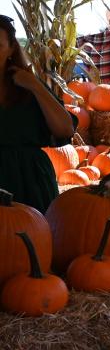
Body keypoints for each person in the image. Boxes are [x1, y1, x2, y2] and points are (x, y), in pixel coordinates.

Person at [0, 16, 78, 212]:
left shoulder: (27, 87)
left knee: (31, 238)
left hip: (30, 182)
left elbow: (64, 129)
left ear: (11, 50)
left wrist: (36, 86)